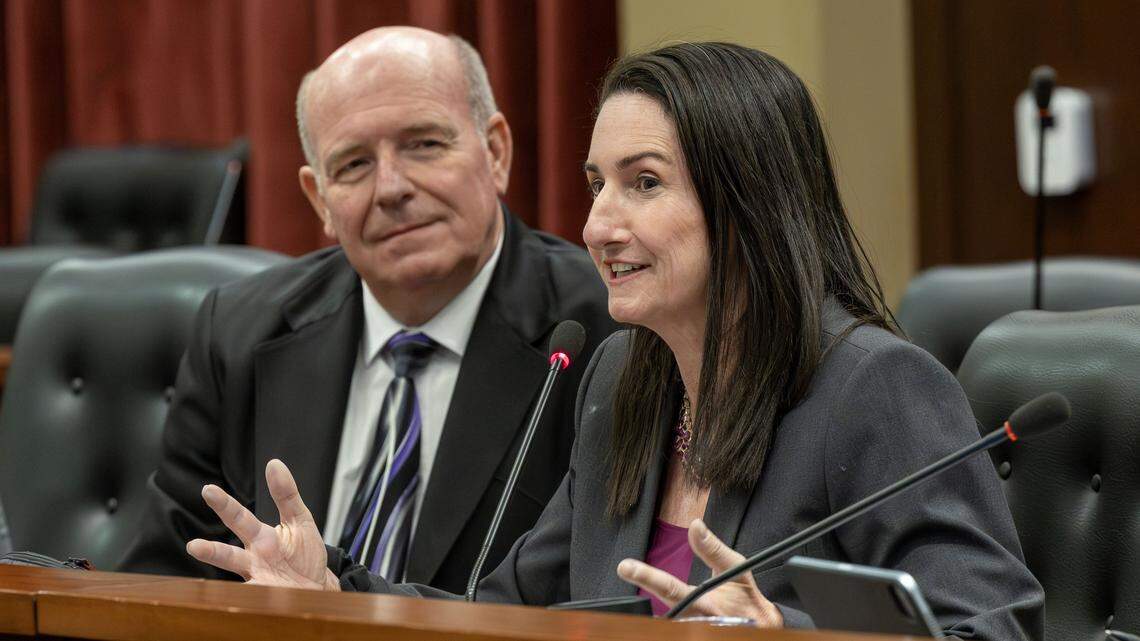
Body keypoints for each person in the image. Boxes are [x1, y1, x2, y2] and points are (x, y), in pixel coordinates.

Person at [182, 42, 1045, 638]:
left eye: (643, 184)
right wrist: (336, 589)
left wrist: (792, 634)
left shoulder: (874, 388)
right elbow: (507, 613)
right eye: (598, 185)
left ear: (745, 202)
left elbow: (994, 627)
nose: (597, 224)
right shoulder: (623, 381)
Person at [119, 27, 616, 595]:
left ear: (496, 151)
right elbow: (163, 580)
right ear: (319, 200)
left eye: (425, 144)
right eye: (353, 164)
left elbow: (591, 597)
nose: (391, 188)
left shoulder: (604, 333)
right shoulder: (237, 332)